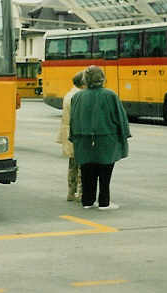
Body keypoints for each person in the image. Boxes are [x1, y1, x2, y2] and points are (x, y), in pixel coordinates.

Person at [70, 65, 131, 210]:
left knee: (87, 173)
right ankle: (104, 202)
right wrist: (125, 135)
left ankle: (87, 201)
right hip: (106, 140)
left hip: (83, 141)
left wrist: (73, 137)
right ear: (102, 79)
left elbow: (73, 120)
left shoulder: (77, 96)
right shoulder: (110, 95)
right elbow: (120, 118)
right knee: (105, 174)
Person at [55, 71, 86, 202]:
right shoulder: (79, 96)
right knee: (82, 165)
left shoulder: (69, 94)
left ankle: (71, 192)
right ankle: (81, 193)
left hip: (67, 132)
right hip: (76, 133)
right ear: (83, 83)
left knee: (72, 164)